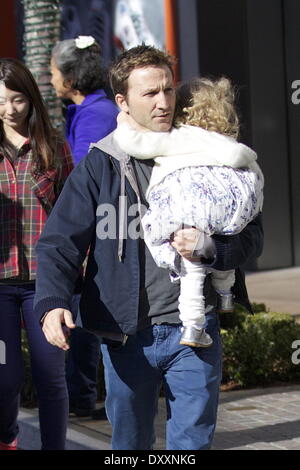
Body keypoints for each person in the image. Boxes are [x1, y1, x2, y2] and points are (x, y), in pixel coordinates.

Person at [34, 44, 263, 450]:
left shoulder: (207, 152)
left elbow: (251, 235)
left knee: (191, 445)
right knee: (130, 445)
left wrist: (211, 247)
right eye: (149, 94)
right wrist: (53, 301)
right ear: (122, 100)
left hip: (194, 330)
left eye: (168, 90)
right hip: (125, 335)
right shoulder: (101, 164)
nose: (163, 103)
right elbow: (59, 242)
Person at [113, 76, 264, 347]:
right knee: (222, 238)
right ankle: (226, 293)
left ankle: (193, 327)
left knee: (191, 268)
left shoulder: (177, 138)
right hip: (225, 207)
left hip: (188, 207)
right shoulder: (227, 144)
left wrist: (124, 122)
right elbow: (249, 165)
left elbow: (135, 144)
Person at [0, 58, 74, 450]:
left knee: (50, 378)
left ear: (31, 99)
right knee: (4, 377)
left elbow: (74, 214)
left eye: (17, 100)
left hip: (45, 286)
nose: (10, 110)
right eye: (1, 101)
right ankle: (7, 438)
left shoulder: (54, 146)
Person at [50, 36, 119, 419]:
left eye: (53, 71)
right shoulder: (87, 111)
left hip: (97, 234)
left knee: (84, 314)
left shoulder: (95, 116)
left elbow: (83, 184)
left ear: (70, 77)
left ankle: (84, 397)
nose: (50, 77)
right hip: (95, 232)